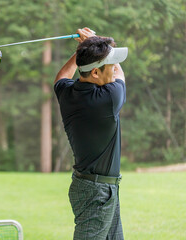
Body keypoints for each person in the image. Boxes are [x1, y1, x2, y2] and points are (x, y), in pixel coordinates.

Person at [54, 27, 128, 239]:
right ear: (95, 72)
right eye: (110, 65)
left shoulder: (67, 94)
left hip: (96, 187)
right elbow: (120, 74)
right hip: (97, 192)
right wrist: (91, 42)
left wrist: (84, 49)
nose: (114, 68)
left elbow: (61, 76)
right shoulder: (109, 98)